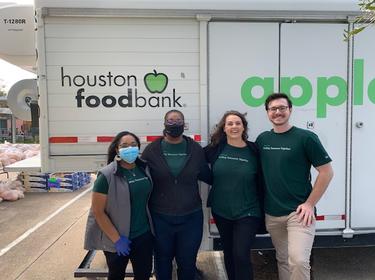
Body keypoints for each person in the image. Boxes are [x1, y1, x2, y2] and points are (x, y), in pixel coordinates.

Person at [256, 93, 334, 280]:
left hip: (299, 212)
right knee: (283, 260)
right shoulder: (262, 140)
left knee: (298, 260)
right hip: (272, 213)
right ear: (267, 113)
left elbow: (326, 172)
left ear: (290, 110)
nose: (278, 112)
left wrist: (309, 204)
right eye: (273, 109)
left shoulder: (306, 138)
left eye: (282, 108)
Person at [141, 109, 211, 280]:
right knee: (162, 261)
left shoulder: (195, 149)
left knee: (187, 262)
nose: (175, 124)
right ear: (164, 124)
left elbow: (208, 176)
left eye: (178, 120)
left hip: (191, 218)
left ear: (184, 124)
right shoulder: (151, 150)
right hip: (160, 218)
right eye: (171, 121)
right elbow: (139, 179)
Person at [84, 131, 154, 280]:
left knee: (144, 275)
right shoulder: (107, 175)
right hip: (118, 238)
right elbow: (98, 212)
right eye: (124, 145)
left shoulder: (144, 169)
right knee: (116, 276)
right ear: (117, 149)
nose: (130, 148)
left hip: (143, 235)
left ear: (138, 148)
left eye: (133, 145)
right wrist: (117, 239)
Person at [204, 110, 264, 280]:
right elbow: (196, 163)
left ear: (244, 127)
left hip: (248, 211)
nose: (234, 126)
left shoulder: (254, 150)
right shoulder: (214, 150)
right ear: (224, 128)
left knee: (241, 254)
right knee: (229, 253)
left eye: (238, 123)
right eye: (230, 123)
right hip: (222, 210)